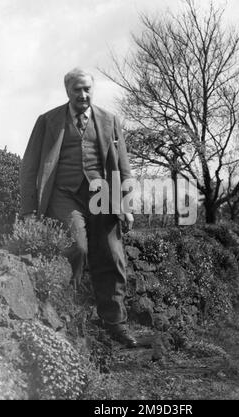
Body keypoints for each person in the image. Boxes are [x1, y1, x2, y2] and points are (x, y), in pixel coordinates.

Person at [20, 68, 137, 348]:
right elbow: (29, 166)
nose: (83, 95)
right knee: (77, 247)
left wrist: (127, 206)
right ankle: (67, 320)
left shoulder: (109, 120)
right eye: (77, 90)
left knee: (112, 254)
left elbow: (123, 166)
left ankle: (115, 323)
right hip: (63, 193)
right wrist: (27, 209)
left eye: (87, 89)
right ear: (67, 91)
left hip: (101, 193)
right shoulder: (48, 121)